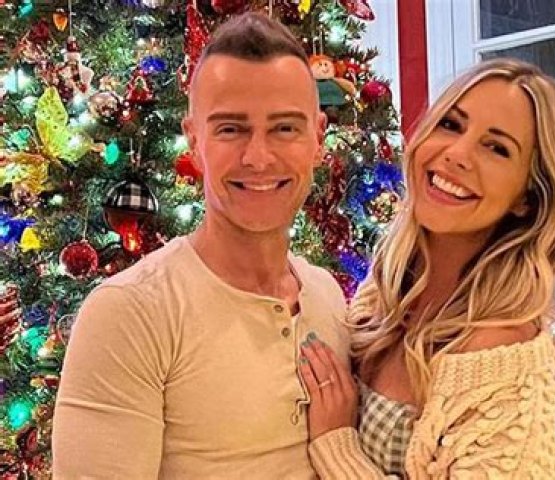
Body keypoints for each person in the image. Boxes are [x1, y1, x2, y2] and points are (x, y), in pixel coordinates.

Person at [52, 13, 349, 479]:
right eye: (231, 129)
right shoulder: (132, 312)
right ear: (194, 140)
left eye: (285, 128)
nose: (258, 157)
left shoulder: (328, 297)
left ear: (318, 137)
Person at [298, 58, 555, 478]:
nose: (457, 154)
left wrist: (337, 446)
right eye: (451, 125)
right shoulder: (382, 293)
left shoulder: (504, 351)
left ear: (528, 197)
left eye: (497, 148)